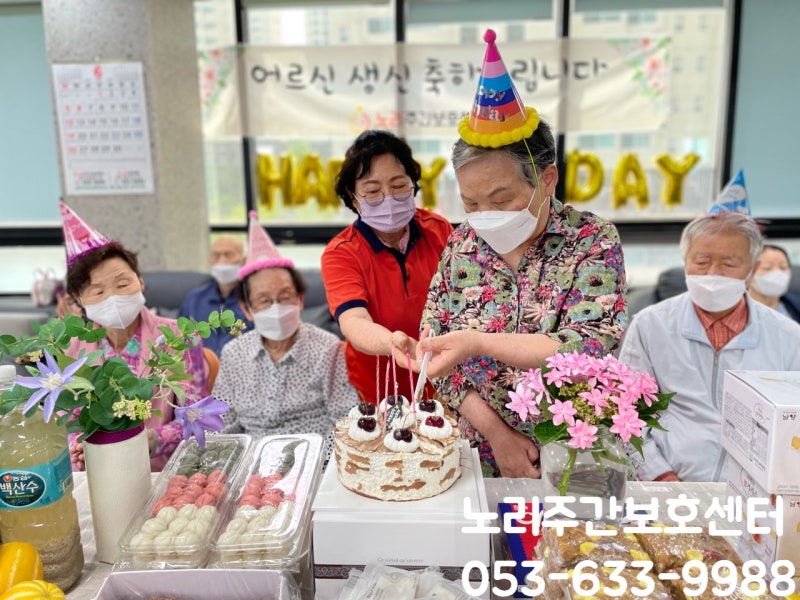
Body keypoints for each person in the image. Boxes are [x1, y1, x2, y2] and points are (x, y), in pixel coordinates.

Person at [416, 30, 628, 479]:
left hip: (568, 450)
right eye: (471, 203)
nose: (484, 215)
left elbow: (587, 346)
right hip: (474, 452)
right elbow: (435, 350)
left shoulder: (592, 241)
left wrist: (477, 342)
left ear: (547, 180)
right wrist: (497, 433)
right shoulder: (461, 245)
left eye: (501, 199)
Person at [619, 211, 800, 482]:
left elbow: (792, 428)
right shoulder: (649, 325)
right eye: (702, 261)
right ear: (685, 261)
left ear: (751, 269)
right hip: (664, 485)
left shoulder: (789, 337)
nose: (713, 274)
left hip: (752, 491)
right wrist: (659, 475)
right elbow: (625, 412)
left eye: (729, 263)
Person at [59, 201, 207, 471]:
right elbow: (68, 416)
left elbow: (197, 415)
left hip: (162, 470)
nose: (113, 297)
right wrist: (79, 445)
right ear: (79, 300)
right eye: (98, 291)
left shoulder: (181, 336)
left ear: (140, 281)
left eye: (123, 283)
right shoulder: (72, 348)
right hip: (96, 469)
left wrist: (151, 440)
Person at [320, 130, 453, 404]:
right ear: (353, 197)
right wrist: (394, 343)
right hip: (377, 387)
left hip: (445, 378)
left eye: (399, 185)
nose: (388, 198)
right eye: (372, 191)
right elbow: (354, 321)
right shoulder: (341, 253)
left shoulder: (439, 230)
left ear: (413, 184)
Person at [214, 212, 357, 446]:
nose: (276, 307)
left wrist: (318, 461)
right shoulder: (233, 354)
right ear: (247, 308)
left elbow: (345, 420)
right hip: (251, 459)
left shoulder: (327, 348)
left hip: (312, 455)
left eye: (285, 297)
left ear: (300, 299)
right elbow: (221, 424)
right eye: (264, 301)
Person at [179, 235, 253, 355]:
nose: (221, 261)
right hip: (199, 365)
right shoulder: (194, 299)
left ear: (244, 260)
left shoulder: (253, 299)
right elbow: (179, 339)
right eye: (216, 255)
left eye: (228, 255)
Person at [748, 243, 800, 322]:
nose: (777, 274)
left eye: (783, 267)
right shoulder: (733, 309)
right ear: (748, 273)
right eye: (767, 268)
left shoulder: (795, 305)